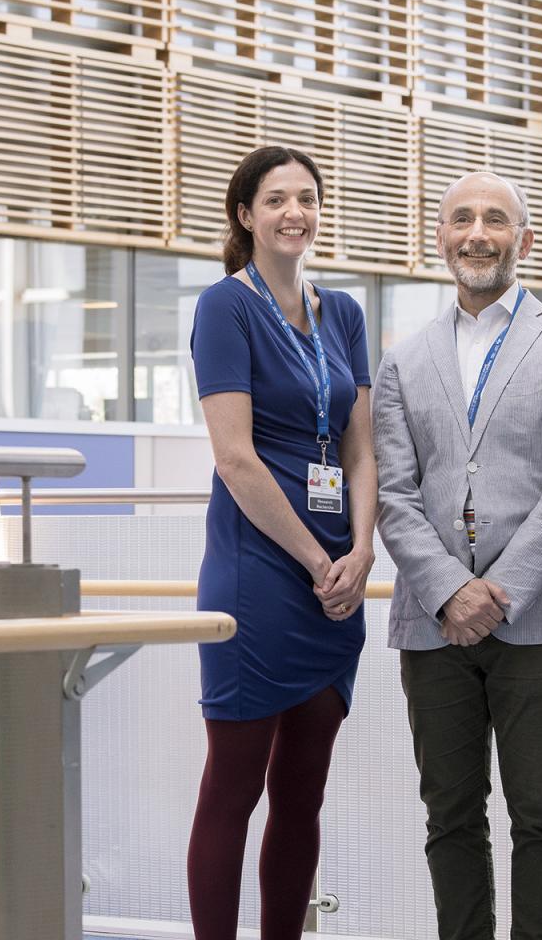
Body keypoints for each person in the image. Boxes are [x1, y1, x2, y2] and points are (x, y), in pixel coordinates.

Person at [373, 171, 542, 940]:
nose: (477, 233)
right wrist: (450, 589)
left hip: (537, 618)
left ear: (526, 241)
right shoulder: (403, 362)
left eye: (496, 220)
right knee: (450, 814)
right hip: (432, 622)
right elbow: (393, 495)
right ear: (439, 238)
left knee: (540, 811)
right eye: (461, 219)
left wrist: (497, 590)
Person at [186, 145, 377, 940]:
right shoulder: (223, 308)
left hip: (340, 575)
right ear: (245, 215)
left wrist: (364, 550)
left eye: (306, 197)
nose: (293, 212)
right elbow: (235, 456)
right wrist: (315, 559)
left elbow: (362, 446)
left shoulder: (346, 315)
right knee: (235, 786)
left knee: (304, 791)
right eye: (275, 200)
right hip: (261, 573)